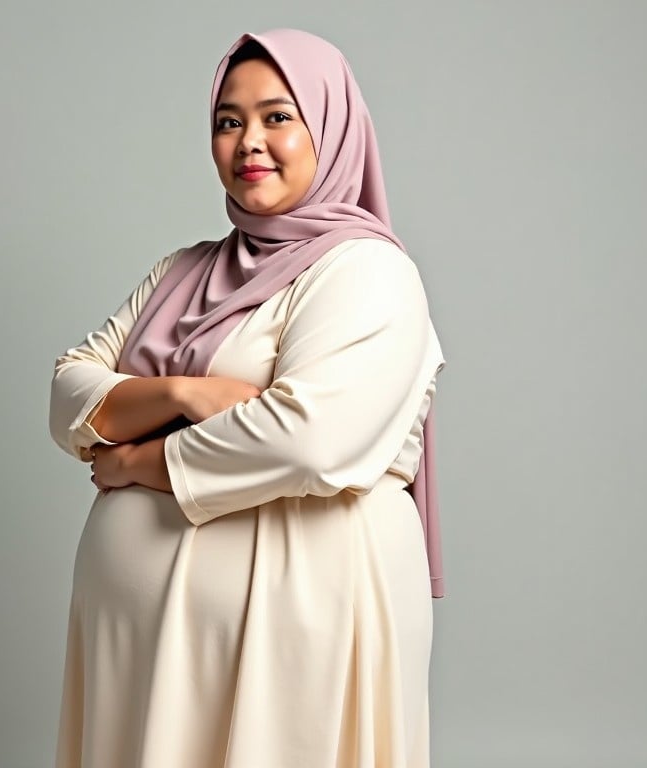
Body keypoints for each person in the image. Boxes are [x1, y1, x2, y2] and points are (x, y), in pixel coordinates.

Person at [48, 28, 445, 768]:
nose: (249, 143)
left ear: (330, 125)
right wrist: (189, 391)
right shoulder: (183, 272)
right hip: (139, 640)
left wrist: (142, 462)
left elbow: (308, 439)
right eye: (228, 122)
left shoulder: (365, 274)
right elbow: (69, 392)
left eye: (278, 116)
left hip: (295, 626)